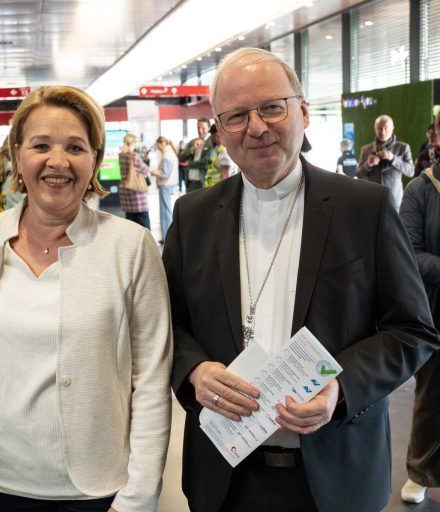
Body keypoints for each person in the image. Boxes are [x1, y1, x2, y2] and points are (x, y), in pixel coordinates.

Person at [162, 47, 438, 512]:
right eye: (236, 116)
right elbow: (165, 324)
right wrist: (193, 369)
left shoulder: (363, 208)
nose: (256, 127)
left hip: (337, 475)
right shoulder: (194, 216)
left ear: (303, 111)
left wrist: (340, 388)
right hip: (226, 477)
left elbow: (412, 331)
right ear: (220, 131)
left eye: (271, 107)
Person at [0, 85, 172, 512]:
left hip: (96, 489)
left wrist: (139, 494)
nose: (58, 161)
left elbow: (151, 380)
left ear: (94, 158)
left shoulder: (130, 246)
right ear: (18, 154)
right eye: (41, 145)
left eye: (75, 146)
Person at [398, 120, 440, 503]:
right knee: (432, 395)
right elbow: (409, 252)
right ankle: (421, 472)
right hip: (436, 310)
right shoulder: (422, 189)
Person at [356, 114, 414, 209]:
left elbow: (411, 171)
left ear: (392, 128)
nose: (383, 132)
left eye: (386, 128)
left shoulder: (403, 147)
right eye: (379, 128)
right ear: (374, 129)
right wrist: (368, 164)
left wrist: (393, 158)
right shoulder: (366, 149)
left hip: (395, 201)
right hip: (372, 200)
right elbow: (358, 174)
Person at [118, 132, 151, 228]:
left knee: (131, 223)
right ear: (133, 143)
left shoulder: (121, 155)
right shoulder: (134, 156)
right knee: (144, 224)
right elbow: (145, 170)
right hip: (136, 191)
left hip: (125, 188)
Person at [151, 136, 180, 242]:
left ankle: (166, 237)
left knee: (165, 212)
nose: (157, 147)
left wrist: (154, 172)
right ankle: (166, 237)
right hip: (169, 184)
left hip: (165, 185)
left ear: (161, 143)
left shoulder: (167, 155)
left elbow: (165, 173)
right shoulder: (170, 153)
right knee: (166, 210)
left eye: (157, 145)